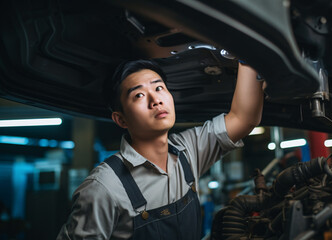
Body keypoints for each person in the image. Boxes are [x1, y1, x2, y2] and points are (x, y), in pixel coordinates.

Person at [57, 59, 264, 239]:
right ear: (120, 119)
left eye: (158, 88)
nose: (155, 100)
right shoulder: (103, 188)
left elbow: (243, 118)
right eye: (138, 95)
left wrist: (247, 54)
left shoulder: (187, 149)